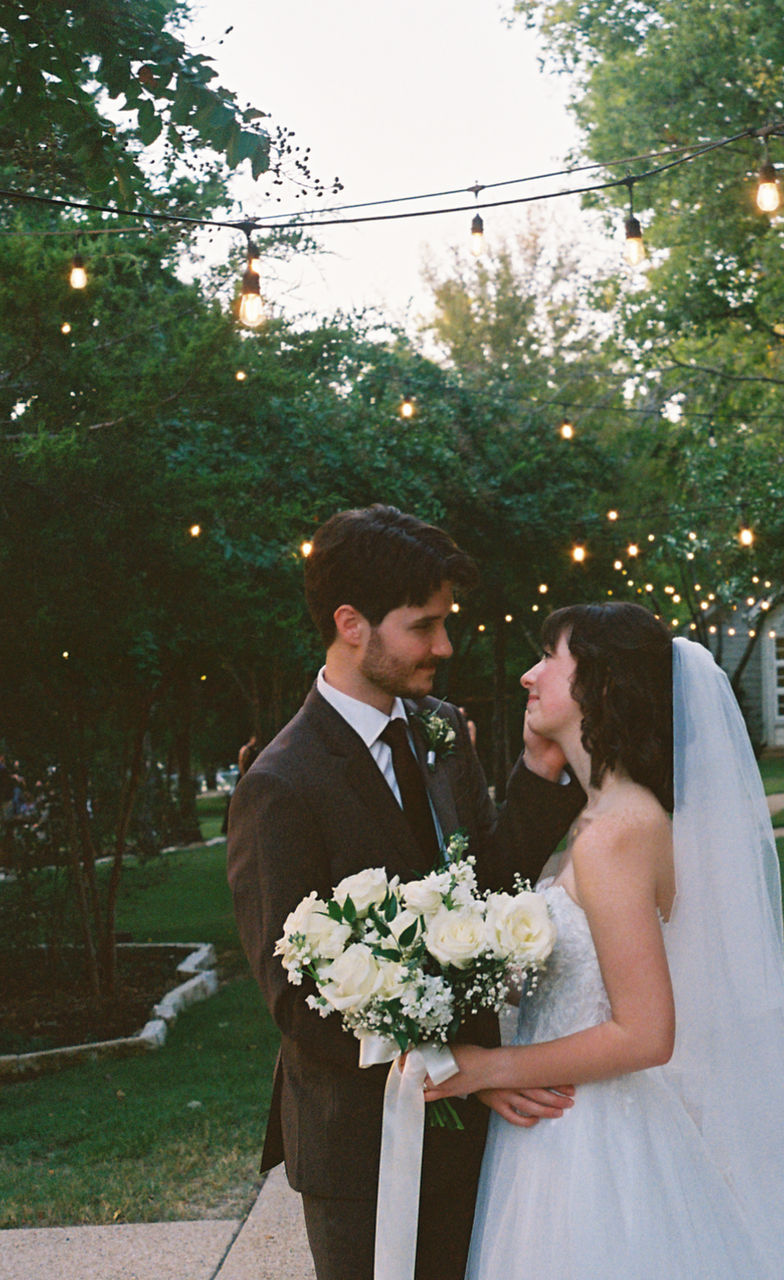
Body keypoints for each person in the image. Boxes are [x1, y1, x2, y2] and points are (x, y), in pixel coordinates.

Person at [424, 602, 784, 1280]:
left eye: (549, 658)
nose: (530, 676)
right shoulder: (609, 812)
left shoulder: (617, 831)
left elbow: (645, 1034)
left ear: (602, 686)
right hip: (566, 1124)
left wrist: (484, 1068)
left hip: (591, 1145)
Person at [226, 504, 584, 1280]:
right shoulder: (280, 787)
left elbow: (485, 890)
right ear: (352, 624)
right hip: (361, 1150)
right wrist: (458, 1069)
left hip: (478, 1132)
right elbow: (300, 1002)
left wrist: (540, 772)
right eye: (424, 626)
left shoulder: (442, 730)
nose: (445, 647)